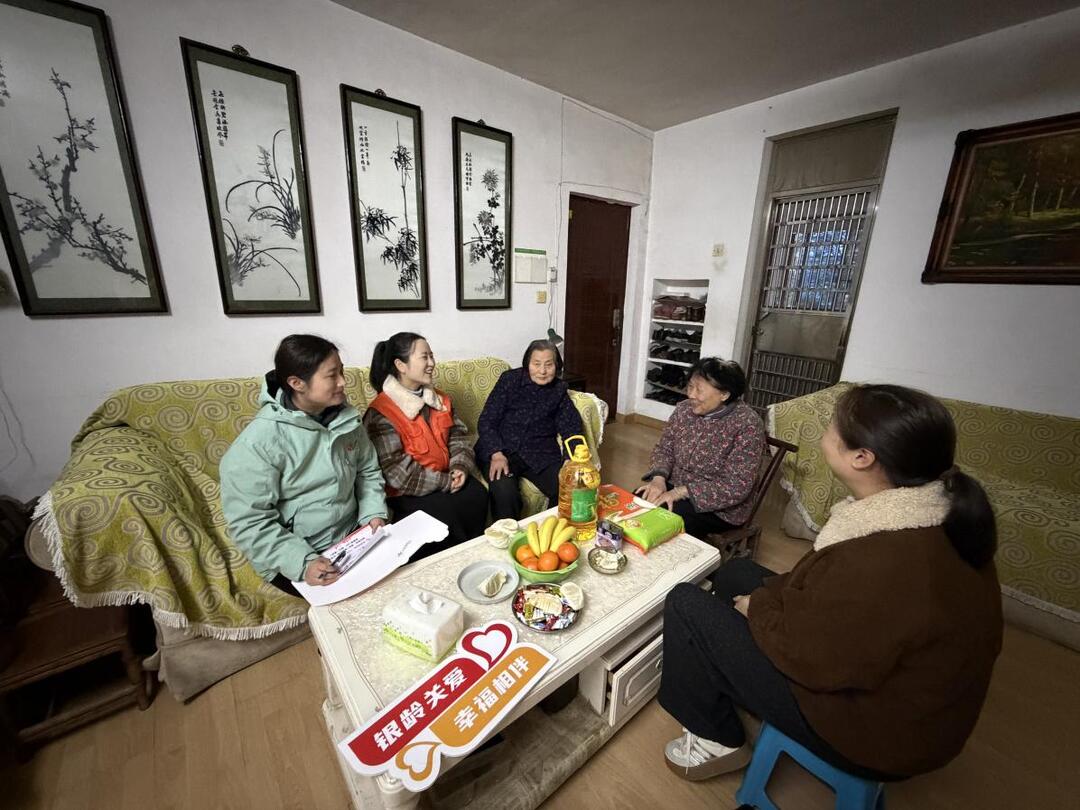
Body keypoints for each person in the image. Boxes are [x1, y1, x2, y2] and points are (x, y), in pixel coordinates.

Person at [658, 384, 1003, 782]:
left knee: (685, 602)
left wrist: (760, 612)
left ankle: (718, 739)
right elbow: (829, 605)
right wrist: (762, 606)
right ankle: (727, 679)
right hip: (876, 686)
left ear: (862, 457)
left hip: (871, 734)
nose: (825, 431)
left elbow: (816, 662)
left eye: (832, 426)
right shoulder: (932, 515)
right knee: (736, 572)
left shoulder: (884, 561)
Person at [220, 335, 388, 594]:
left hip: (351, 537)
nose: (343, 382)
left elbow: (367, 470)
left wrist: (373, 513)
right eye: (332, 375)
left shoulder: (345, 419)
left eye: (341, 371)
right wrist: (303, 562)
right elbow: (249, 522)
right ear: (296, 383)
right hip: (296, 556)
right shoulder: (257, 444)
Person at [363, 332, 488, 558]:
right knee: (444, 515)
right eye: (424, 357)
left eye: (432, 356)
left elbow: (458, 437)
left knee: (477, 494)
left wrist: (459, 467)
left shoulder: (440, 399)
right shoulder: (381, 412)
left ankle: (475, 560)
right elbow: (397, 473)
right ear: (401, 365)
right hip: (408, 491)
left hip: (447, 476)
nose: (431, 363)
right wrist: (445, 482)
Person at [635, 358, 765, 537]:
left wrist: (680, 492)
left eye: (699, 390)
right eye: (690, 387)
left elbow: (736, 486)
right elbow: (664, 449)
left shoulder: (747, 425)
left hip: (718, 508)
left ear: (724, 394)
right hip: (675, 484)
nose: (691, 395)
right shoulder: (683, 410)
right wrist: (659, 479)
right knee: (636, 502)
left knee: (659, 521)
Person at [474, 339, 584, 520]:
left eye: (548, 365)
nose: (542, 371)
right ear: (527, 363)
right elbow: (487, 420)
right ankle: (508, 536)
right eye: (536, 364)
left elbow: (572, 427)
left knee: (567, 486)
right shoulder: (510, 380)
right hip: (502, 448)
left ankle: (552, 531)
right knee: (505, 492)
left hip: (540, 452)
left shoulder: (558, 390)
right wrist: (496, 453)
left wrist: (569, 459)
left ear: (557, 366)